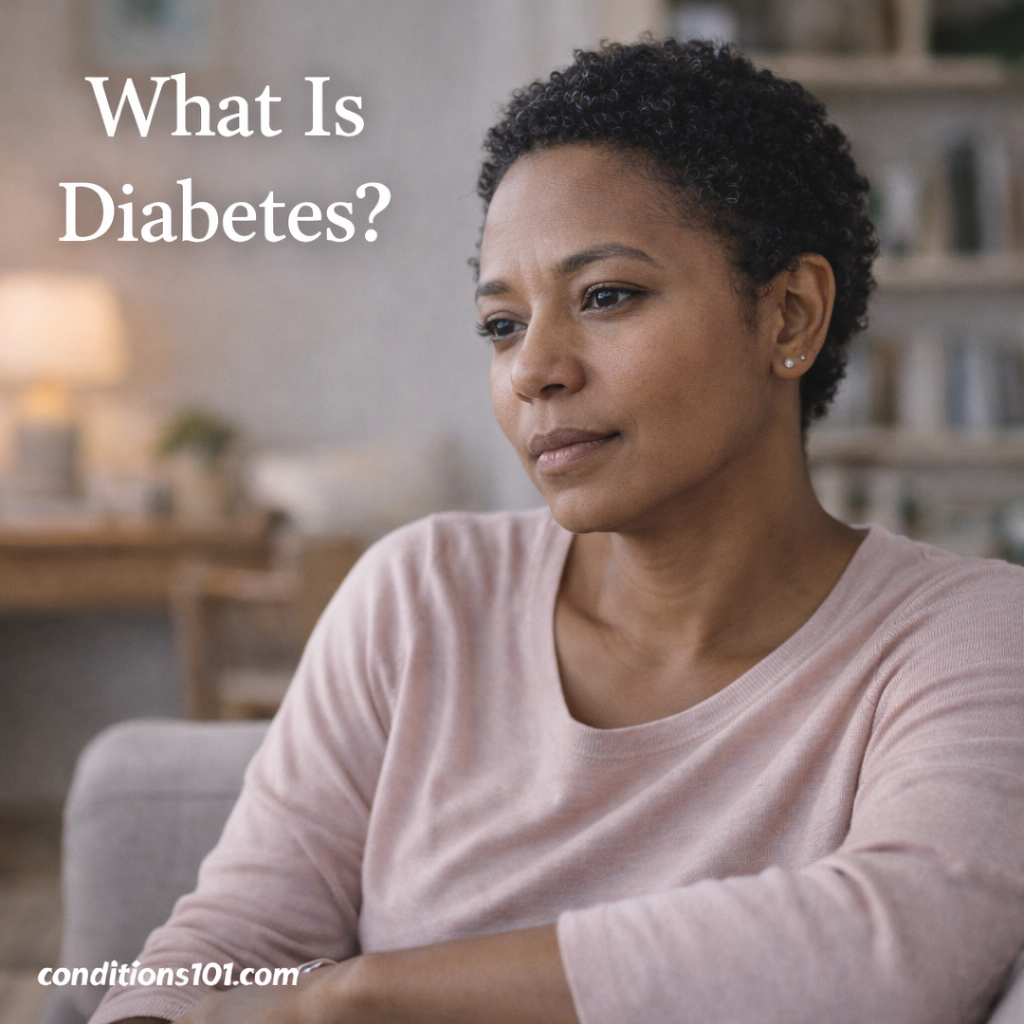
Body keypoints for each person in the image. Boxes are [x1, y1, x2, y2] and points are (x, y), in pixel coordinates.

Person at [96, 39, 1024, 1024]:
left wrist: (357, 997)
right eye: (502, 325)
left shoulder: (966, 634)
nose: (535, 369)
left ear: (789, 314)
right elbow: (227, 947)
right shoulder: (421, 593)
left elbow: (898, 944)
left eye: (606, 297)